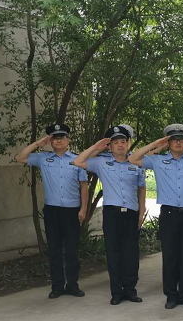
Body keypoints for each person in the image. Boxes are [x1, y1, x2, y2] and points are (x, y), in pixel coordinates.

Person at [129, 124, 183, 309]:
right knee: (170, 256)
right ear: (168, 142)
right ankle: (171, 295)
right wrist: (157, 144)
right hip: (169, 214)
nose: (178, 142)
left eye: (182, 139)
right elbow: (133, 158)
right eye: (174, 139)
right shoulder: (157, 160)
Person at [73, 126, 146, 306]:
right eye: (115, 142)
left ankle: (130, 290)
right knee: (113, 252)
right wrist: (97, 146)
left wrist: (142, 210)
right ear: (110, 146)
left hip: (131, 212)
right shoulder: (101, 162)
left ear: (128, 143)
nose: (120, 145)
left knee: (131, 252)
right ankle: (116, 292)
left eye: (123, 141)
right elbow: (78, 161)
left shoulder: (136, 162)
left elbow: (142, 187)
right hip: (112, 213)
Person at [15, 124, 88, 299]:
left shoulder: (77, 160)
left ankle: (72, 285)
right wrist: (37, 144)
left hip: (72, 211)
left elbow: (84, 187)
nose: (58, 140)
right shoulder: (43, 158)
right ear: (50, 141)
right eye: (54, 137)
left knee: (71, 250)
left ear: (68, 140)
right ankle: (57, 286)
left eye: (62, 137)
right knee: (54, 249)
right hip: (52, 211)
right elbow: (20, 158)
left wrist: (84, 209)